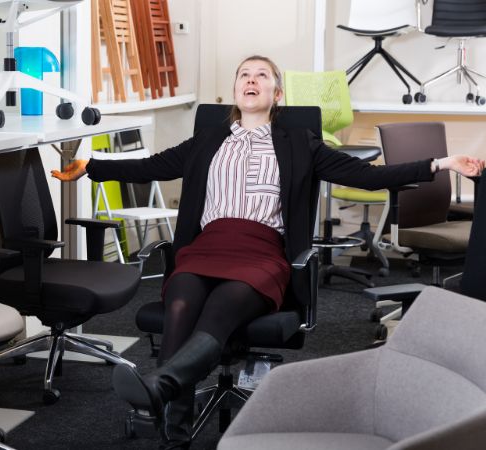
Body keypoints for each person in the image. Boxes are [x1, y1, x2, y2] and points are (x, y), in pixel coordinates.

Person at [52, 55, 484, 449]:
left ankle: (163, 392)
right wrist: (90, 167)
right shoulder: (207, 140)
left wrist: (440, 164)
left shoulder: (301, 143)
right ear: (236, 90)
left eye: (262, 75)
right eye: (244, 74)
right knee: (181, 301)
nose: (251, 80)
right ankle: (175, 429)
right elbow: (149, 166)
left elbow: (367, 175)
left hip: (260, 252)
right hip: (206, 246)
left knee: (223, 306)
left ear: (277, 95)